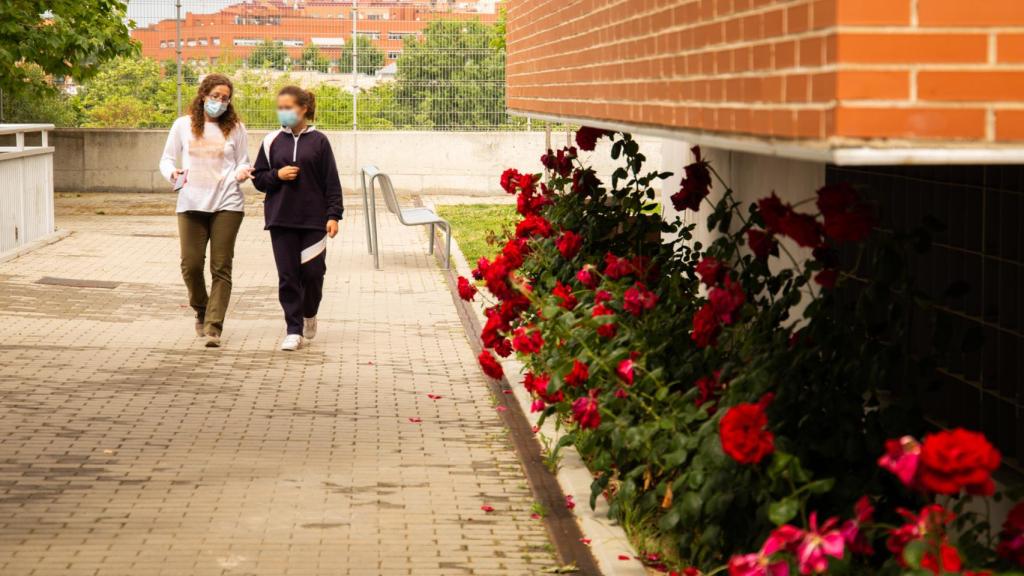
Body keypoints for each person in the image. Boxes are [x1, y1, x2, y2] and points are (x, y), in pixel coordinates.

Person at [160, 74, 252, 348]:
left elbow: (242, 161)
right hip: (191, 203)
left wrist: (241, 173)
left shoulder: (235, 128)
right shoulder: (183, 126)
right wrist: (172, 173)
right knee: (191, 264)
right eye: (215, 97)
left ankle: (214, 326)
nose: (220, 102)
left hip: (227, 203)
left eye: (225, 98)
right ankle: (201, 308)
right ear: (203, 96)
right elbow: (166, 159)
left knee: (221, 267)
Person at [251, 85, 342, 351]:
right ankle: (293, 329)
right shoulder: (271, 141)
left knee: (313, 273)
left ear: (303, 109)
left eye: (288, 107)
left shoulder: (320, 141)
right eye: (280, 108)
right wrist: (277, 176)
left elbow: (331, 182)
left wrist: (333, 215)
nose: (283, 112)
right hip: (281, 219)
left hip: (314, 221)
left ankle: (309, 313)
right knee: (288, 276)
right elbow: (259, 179)